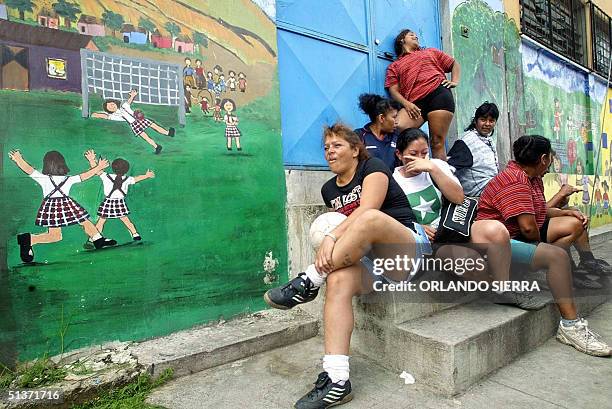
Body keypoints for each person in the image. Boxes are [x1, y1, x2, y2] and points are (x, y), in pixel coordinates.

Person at [264, 123, 430, 408]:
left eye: (337, 145)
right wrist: (333, 237)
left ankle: (308, 280)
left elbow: (367, 210)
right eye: (326, 147)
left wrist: (331, 237)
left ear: (355, 150)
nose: (330, 151)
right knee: (338, 281)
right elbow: (344, 230)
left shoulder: (373, 167)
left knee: (369, 219)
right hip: (372, 261)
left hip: (406, 251)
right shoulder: (329, 189)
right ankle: (337, 380)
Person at [393, 128, 542, 309]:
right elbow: (391, 218)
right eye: (412, 154)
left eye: (424, 153)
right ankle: (491, 289)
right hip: (432, 242)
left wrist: (432, 168)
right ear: (399, 154)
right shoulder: (393, 181)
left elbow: (458, 197)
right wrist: (417, 227)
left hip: (455, 226)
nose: (419, 159)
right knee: (472, 263)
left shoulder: (434, 166)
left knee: (496, 230)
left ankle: (504, 288)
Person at [477, 135, 612, 286]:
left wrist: (566, 212)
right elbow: (528, 229)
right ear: (543, 159)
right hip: (505, 241)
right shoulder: (515, 180)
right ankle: (552, 266)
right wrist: (544, 249)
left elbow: (540, 211)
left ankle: (581, 265)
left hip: (519, 232)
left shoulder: (532, 177)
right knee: (568, 229)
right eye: (550, 159)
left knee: (575, 221)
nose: (550, 165)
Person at [9, 149, 117, 263]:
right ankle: (29, 239)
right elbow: (85, 176)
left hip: (51, 207)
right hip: (66, 205)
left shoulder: (44, 179)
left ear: (46, 165)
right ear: (63, 164)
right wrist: (98, 167)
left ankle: (98, 239)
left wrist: (18, 159)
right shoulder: (68, 179)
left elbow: (29, 170)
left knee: (69, 228)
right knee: (78, 224)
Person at [385, 29, 460, 160]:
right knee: (396, 126)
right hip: (415, 103)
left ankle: (439, 178)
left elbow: (454, 64)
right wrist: (406, 104)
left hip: (438, 94)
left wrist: (454, 81)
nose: (415, 36)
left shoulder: (430, 52)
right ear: (402, 40)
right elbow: (393, 90)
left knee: (437, 143)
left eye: (416, 35)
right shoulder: (394, 66)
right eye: (411, 35)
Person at [85, 152, 155, 243]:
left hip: (108, 202)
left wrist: (92, 160)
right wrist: (146, 175)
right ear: (126, 169)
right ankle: (135, 234)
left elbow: (96, 171)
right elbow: (136, 179)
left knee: (102, 220)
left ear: (113, 168)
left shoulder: (107, 176)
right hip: (119, 202)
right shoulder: (127, 179)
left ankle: (92, 238)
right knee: (125, 219)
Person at [92, 89, 175, 155]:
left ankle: (168, 133)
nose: (112, 106)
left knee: (154, 126)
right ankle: (156, 146)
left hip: (140, 119)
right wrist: (97, 114)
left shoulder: (124, 105)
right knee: (145, 137)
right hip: (134, 124)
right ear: (108, 110)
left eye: (112, 104)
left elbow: (129, 101)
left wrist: (132, 95)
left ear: (114, 102)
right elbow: (106, 116)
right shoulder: (115, 115)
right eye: (109, 107)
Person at [447, 102, 500, 197]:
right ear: (475, 121)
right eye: (483, 120)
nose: (487, 124)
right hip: (477, 192)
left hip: (491, 187)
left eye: (491, 121)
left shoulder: (487, 139)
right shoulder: (467, 142)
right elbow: (448, 168)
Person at [354, 93, 402, 170]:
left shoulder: (397, 136)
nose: (397, 122)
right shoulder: (359, 136)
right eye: (394, 117)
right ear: (381, 118)